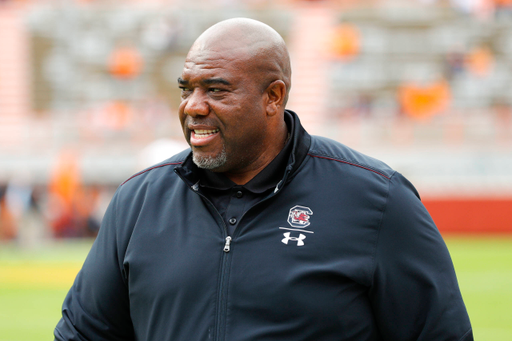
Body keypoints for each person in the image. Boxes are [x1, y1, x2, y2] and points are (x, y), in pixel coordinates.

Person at [55, 18, 473, 341]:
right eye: (187, 89)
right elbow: (83, 333)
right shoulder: (139, 200)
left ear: (273, 97)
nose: (193, 107)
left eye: (216, 90)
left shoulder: (378, 198)